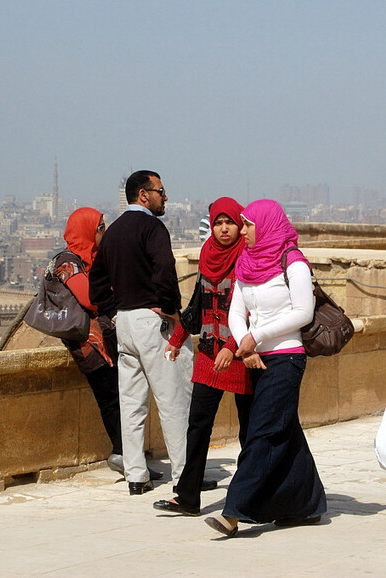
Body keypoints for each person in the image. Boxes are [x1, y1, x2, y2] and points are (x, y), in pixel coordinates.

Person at [204, 199, 326, 537]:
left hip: (286, 358)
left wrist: (256, 337)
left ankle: (235, 510)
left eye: (247, 225)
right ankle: (308, 503)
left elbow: (303, 312)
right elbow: (235, 312)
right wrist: (246, 347)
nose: (242, 231)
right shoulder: (247, 262)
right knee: (284, 430)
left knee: (262, 432)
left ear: (266, 225)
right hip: (255, 359)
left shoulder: (294, 263)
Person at [89, 170, 193, 496]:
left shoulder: (114, 232)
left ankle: (136, 476)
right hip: (152, 322)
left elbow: (96, 282)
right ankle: (185, 476)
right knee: (173, 400)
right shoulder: (153, 227)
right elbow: (164, 269)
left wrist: (113, 313)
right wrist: (171, 308)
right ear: (144, 195)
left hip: (125, 324)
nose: (166, 197)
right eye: (161, 191)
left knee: (132, 405)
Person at [154, 197, 253, 516]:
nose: (224, 229)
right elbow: (195, 306)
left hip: (241, 355)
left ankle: (248, 493)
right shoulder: (208, 256)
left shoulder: (248, 257)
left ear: (240, 224)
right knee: (197, 424)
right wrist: (176, 339)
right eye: (218, 223)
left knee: (249, 429)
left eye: (230, 223)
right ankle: (187, 496)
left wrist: (234, 346)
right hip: (210, 354)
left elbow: (254, 311)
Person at [56, 208, 123, 473]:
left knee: (120, 398)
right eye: (100, 228)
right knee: (110, 399)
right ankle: (122, 454)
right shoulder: (68, 262)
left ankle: (127, 456)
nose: (104, 232)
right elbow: (90, 299)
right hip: (88, 345)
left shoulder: (93, 260)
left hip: (105, 339)